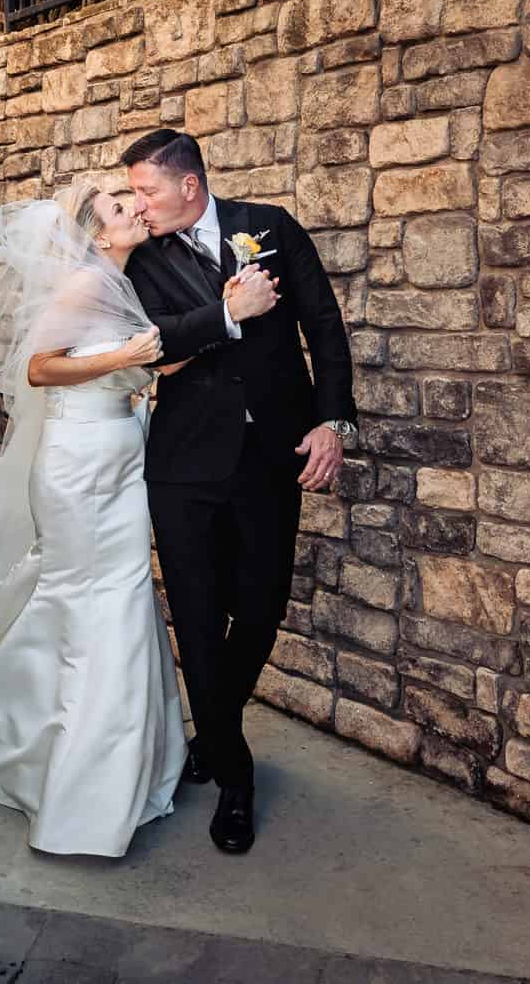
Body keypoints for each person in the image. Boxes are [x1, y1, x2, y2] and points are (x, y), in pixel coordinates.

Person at [0, 180, 187, 857]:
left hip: (119, 464)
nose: (135, 207)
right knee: (90, 601)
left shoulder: (121, 281)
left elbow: (133, 365)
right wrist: (127, 358)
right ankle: (80, 793)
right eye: (119, 206)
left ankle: (124, 760)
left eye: (131, 200)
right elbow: (39, 368)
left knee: (122, 594)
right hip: (77, 468)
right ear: (96, 232)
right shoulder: (83, 284)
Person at [120, 129, 357, 855]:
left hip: (269, 457)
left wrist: (332, 419)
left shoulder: (271, 227)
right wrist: (230, 315)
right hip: (184, 466)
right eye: (131, 194)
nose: (139, 204)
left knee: (261, 606)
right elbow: (153, 340)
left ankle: (213, 729)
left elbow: (322, 322)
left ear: (189, 184)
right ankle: (236, 769)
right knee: (194, 616)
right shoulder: (139, 260)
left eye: (147, 191)